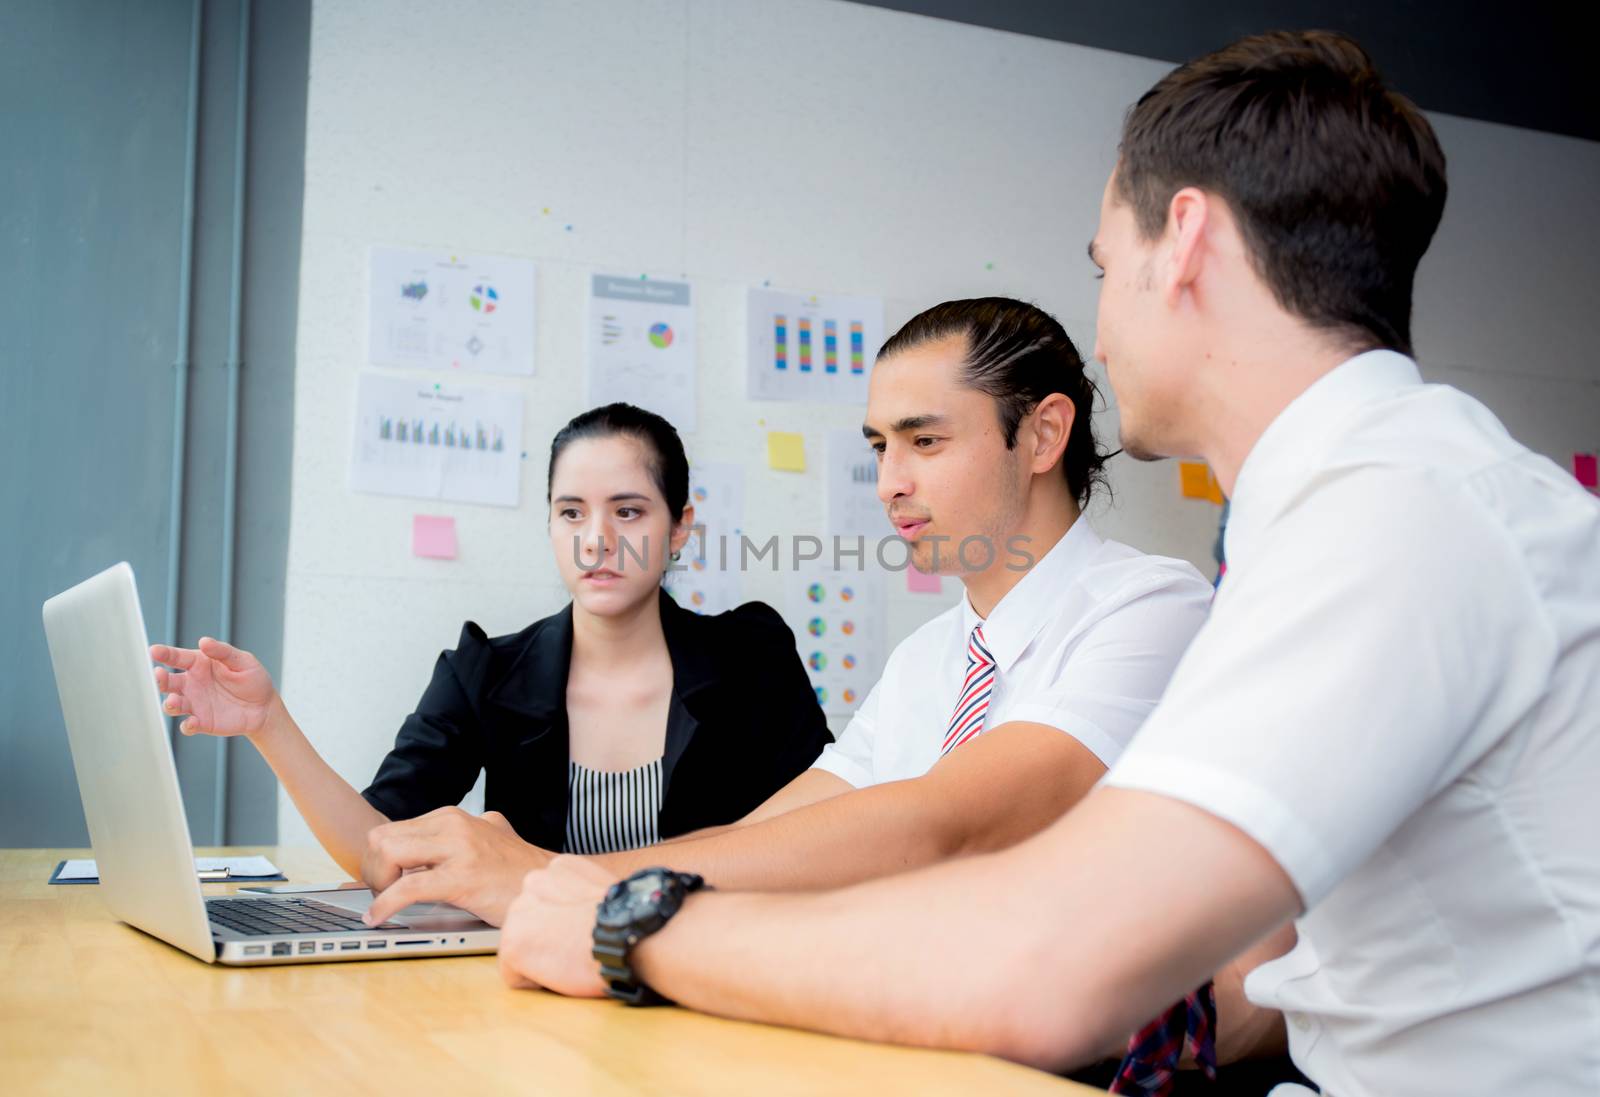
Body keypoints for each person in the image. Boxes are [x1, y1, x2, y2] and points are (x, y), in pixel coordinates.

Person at [495, 31, 1600, 1095]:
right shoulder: (1367, 501)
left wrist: (629, 922)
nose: (1103, 331)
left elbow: (1048, 955)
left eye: (1105, 267)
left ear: (1186, 241)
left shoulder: (1392, 514)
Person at [357, 297, 1215, 934]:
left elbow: (948, 820)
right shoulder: (929, 658)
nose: (889, 484)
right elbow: (788, 826)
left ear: (1041, 435)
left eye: (925, 441)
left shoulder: (1149, 609)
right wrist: (575, 887)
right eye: (880, 448)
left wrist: (558, 877)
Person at [151, 403, 831, 924]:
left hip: (720, 961)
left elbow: (825, 834)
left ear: (680, 526)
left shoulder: (752, 657)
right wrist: (269, 721)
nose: (596, 540)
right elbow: (379, 846)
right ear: (550, 525)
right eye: (571, 512)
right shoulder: (487, 670)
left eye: (628, 511)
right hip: (542, 977)